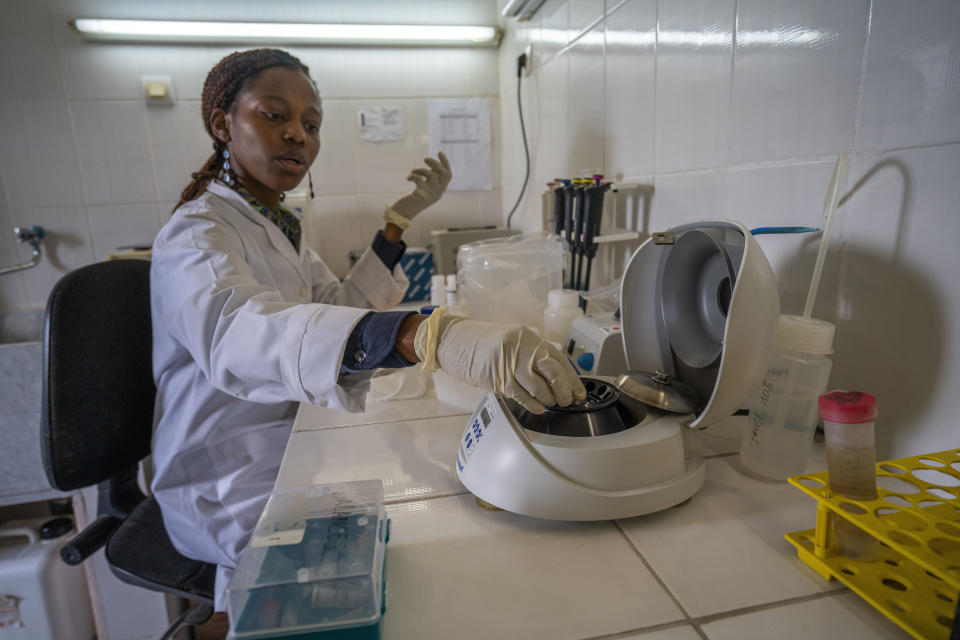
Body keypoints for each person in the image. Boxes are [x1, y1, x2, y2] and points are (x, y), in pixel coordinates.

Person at [149, 48, 585, 612]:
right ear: (221, 123)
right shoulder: (196, 233)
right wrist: (423, 336)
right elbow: (240, 332)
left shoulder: (275, 226)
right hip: (228, 471)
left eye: (311, 124)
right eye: (274, 115)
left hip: (288, 435)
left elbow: (338, 305)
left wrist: (396, 224)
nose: (297, 136)